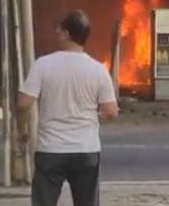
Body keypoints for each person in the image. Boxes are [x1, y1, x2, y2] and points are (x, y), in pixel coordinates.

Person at [18, 10, 119, 206]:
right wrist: (93, 118)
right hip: (86, 148)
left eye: (60, 29)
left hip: (50, 149)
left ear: (66, 34)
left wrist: (23, 131)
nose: (56, 31)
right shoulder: (98, 69)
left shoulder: (43, 65)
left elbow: (23, 104)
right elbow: (111, 111)